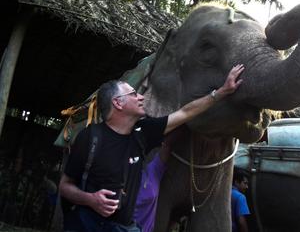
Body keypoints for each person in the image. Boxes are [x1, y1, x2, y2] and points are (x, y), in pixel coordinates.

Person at [59, 64, 244, 232]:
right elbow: (65, 186)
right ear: (117, 103)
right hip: (87, 225)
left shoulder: (143, 132)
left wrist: (221, 92)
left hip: (124, 228)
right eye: (133, 94)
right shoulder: (90, 137)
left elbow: (185, 112)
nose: (140, 97)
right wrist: (91, 200)